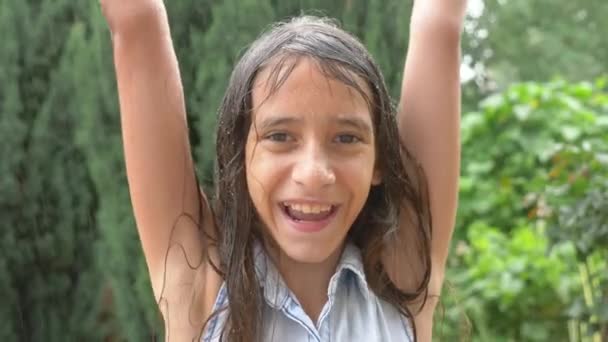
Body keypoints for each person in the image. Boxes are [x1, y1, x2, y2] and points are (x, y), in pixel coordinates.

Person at [100, 0, 465, 341]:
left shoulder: (402, 280)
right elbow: (136, 22)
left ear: (379, 160)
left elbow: (439, 26)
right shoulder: (202, 287)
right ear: (240, 155)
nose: (314, 173)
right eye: (280, 136)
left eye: (346, 138)